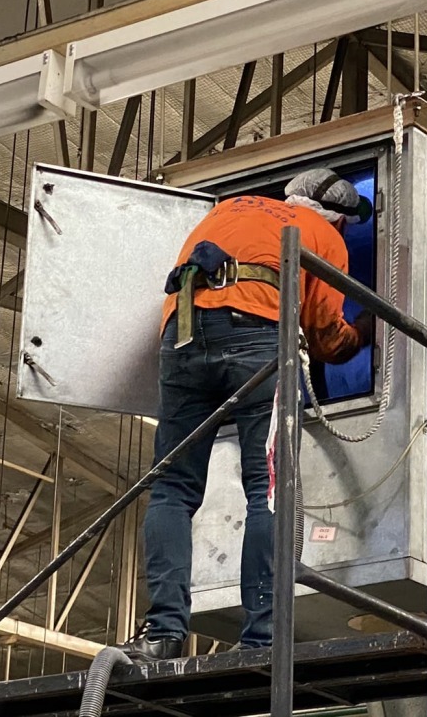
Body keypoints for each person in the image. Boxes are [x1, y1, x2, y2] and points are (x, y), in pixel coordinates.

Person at [119, 169, 373, 662]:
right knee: (267, 489)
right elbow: (327, 338)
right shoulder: (325, 237)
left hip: (183, 338)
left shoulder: (227, 210)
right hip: (258, 343)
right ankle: (261, 637)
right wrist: (365, 330)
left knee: (172, 489)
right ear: (340, 219)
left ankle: (163, 632)